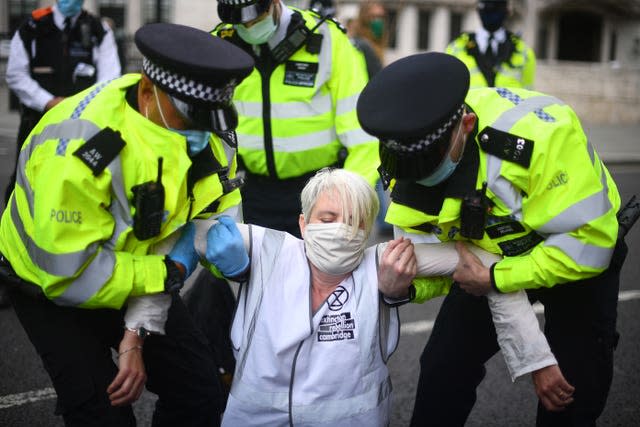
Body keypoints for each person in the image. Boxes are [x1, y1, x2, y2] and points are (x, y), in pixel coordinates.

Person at [168, 167, 569, 425]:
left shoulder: (384, 262)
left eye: (356, 221)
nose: (342, 230)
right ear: (304, 224)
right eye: (328, 219)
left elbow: (482, 264)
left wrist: (536, 359)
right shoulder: (265, 248)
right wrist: (142, 326)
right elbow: (176, 232)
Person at [0, 22, 254, 426]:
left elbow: (200, 222)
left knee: (200, 393)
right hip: (49, 283)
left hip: (137, 270)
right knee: (103, 412)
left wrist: (136, 332)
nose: (200, 134)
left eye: (210, 119)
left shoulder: (212, 133)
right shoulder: (82, 146)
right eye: (190, 117)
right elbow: (70, 272)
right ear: (147, 91)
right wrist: (167, 272)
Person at [356, 52, 627, 426]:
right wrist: (405, 285)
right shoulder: (404, 152)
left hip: (574, 254)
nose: (420, 181)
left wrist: (497, 278)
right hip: (485, 259)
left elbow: (593, 245)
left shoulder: (545, 139)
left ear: (465, 125)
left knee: (571, 393)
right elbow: (445, 261)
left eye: (429, 168)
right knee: (442, 368)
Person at [214, 0, 379, 238]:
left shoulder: (327, 39)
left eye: (256, 18)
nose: (248, 26)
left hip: (321, 193)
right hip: (251, 192)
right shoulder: (221, 43)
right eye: (240, 21)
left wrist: (347, 200)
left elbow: (363, 136)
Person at [1, 0, 121, 308]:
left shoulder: (96, 31)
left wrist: (83, 108)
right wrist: (50, 102)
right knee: (23, 191)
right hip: (39, 125)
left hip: (84, 129)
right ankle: (13, 269)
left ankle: (69, 268)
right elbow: (16, 75)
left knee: (75, 193)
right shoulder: (31, 28)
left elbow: (110, 77)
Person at [446, 0, 535, 89]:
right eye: (487, 7)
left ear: (508, 11)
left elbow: (528, 94)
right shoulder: (456, 48)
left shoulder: (524, 52)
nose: (491, 12)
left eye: (496, 7)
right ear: (478, 10)